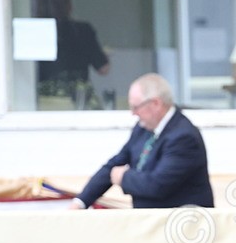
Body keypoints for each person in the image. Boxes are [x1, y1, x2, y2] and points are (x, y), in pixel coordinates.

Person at [72, 74, 215, 209]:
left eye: (136, 107)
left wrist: (124, 177)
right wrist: (80, 202)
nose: (133, 113)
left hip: (182, 226)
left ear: (156, 103)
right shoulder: (143, 128)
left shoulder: (183, 137)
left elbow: (158, 186)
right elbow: (115, 163)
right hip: (150, 222)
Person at [35, 0, 110, 108]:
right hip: (79, 101)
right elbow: (103, 69)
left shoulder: (33, 32)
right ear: (67, 4)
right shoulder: (83, 30)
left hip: (45, 102)